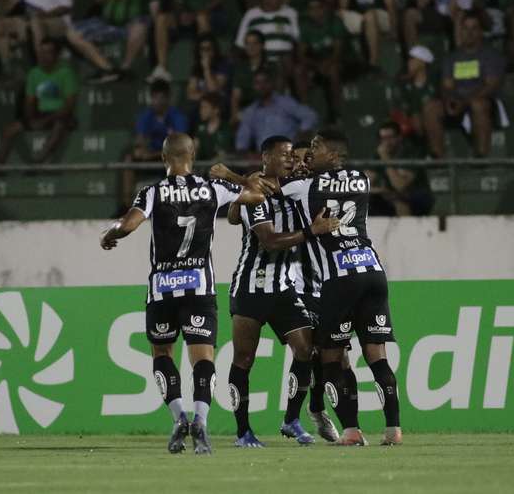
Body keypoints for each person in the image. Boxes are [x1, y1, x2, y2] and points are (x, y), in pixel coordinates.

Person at [100, 133, 272, 455]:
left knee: (162, 355)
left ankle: (179, 417)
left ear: (164, 158)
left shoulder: (151, 192)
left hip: (162, 289)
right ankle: (201, 422)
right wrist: (232, 177)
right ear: (192, 154)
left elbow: (129, 225)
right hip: (199, 288)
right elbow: (256, 196)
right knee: (202, 358)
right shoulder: (212, 188)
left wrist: (110, 235)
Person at [282, 128, 401, 446]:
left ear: (333, 154)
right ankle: (393, 429)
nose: (309, 154)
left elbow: (269, 190)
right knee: (377, 355)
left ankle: (351, 431)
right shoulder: (362, 178)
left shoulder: (303, 185)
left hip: (339, 277)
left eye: (316, 149)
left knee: (331, 358)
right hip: (373, 271)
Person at [223, 136, 340, 447]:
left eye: (294, 155)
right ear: (266, 157)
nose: (292, 160)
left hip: (284, 287)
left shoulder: (290, 191)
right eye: (285, 154)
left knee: (306, 350)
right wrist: (311, 231)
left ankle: (291, 419)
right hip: (251, 287)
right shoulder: (254, 195)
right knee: (244, 359)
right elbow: (269, 241)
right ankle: (243, 432)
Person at [0, 0, 119, 84]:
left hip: (58, 22)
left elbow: (66, 7)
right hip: (30, 19)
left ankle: (43, 70)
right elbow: (12, 0)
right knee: (1, 25)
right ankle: (8, 70)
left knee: (35, 23)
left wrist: (46, 14)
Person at [0, 37, 78, 165]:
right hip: (40, 114)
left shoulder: (66, 73)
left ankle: (39, 160)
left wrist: (45, 120)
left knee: (60, 124)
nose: (43, 56)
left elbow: (69, 106)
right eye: (41, 53)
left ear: (56, 55)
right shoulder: (34, 73)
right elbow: (29, 102)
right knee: (9, 130)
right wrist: (31, 120)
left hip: (61, 115)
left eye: (48, 52)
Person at [440, 11, 507, 158]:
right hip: (458, 102)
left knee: (478, 104)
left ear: (481, 32)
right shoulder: (452, 58)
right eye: (465, 28)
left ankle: (481, 155)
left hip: (485, 101)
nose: (469, 33)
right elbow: (447, 86)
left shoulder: (491, 55)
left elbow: (491, 85)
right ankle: (436, 157)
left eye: (474, 28)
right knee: (431, 108)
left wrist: (465, 102)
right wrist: (450, 100)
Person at [119, 79, 189, 213]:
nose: (157, 102)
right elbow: (140, 140)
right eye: (154, 97)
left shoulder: (177, 117)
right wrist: (140, 150)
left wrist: (152, 154)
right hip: (152, 157)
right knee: (129, 159)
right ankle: (127, 206)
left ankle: (181, 207)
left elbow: (178, 146)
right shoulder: (146, 116)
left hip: (171, 159)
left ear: (168, 98)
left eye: (161, 98)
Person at [146, 0, 227, 83]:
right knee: (161, 19)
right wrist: (182, 12)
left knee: (201, 18)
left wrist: (201, 10)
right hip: (187, 13)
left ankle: (206, 66)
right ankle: (162, 68)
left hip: (209, 12)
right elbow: (177, 0)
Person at [74, 0, 152, 83]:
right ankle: (108, 70)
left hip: (133, 24)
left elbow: (155, 4)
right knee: (71, 31)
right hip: (106, 24)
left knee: (140, 26)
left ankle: (124, 69)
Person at [235, 69, 319, 153]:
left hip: (288, 155)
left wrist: (301, 134)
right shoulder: (250, 111)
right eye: (257, 83)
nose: (262, 86)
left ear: (271, 83)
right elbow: (242, 139)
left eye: (265, 82)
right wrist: (241, 151)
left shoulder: (285, 103)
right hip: (263, 159)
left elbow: (310, 116)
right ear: (253, 86)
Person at [296, 0, 346, 123]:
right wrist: (316, 65)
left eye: (319, 7)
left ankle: (336, 111)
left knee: (333, 70)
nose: (315, 11)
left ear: (325, 7)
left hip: (338, 60)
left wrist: (326, 64)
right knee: (299, 70)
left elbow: (338, 51)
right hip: (316, 62)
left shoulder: (335, 21)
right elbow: (301, 54)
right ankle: (305, 112)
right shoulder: (305, 26)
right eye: (311, 8)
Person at [369, 121, 434, 216]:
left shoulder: (410, 153)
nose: (387, 142)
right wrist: (380, 190)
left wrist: (385, 157)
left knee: (399, 200)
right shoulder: (378, 155)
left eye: (390, 138)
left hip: (417, 195)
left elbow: (400, 185)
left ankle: (407, 230)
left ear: (399, 137)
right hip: (390, 194)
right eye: (383, 138)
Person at [335, 0, 398, 71]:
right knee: (339, 13)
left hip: (381, 15)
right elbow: (343, 5)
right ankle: (342, 64)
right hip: (359, 16)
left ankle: (373, 64)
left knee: (370, 15)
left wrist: (394, 29)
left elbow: (390, 3)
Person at [394, 45, 444, 157]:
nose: (409, 62)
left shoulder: (435, 80)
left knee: (430, 110)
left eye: (412, 59)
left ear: (422, 62)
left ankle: (438, 156)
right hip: (413, 118)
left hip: (436, 116)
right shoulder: (403, 84)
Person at [235, 0, 299, 63]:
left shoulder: (291, 13)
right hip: (260, 64)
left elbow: (297, 40)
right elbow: (240, 43)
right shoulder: (251, 14)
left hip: (284, 64)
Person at [403, 0, 474, 50]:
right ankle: (414, 56)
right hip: (439, 12)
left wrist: (450, 10)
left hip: (463, 9)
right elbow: (421, 3)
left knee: (459, 16)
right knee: (410, 14)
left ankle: (460, 56)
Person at [230, 30, 278, 125]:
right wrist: (234, 115)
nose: (251, 47)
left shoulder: (271, 66)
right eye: (247, 43)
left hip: (268, 108)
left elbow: (276, 93)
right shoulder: (241, 68)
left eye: (255, 43)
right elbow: (235, 96)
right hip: (247, 109)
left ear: (262, 45)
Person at [185, 33, 230, 122]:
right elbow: (190, 93)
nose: (205, 52)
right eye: (202, 49)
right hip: (202, 104)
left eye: (208, 49)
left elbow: (214, 90)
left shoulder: (222, 64)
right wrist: (206, 95)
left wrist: (206, 68)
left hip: (218, 105)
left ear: (214, 50)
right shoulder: (197, 67)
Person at [195, 92, 233, 161]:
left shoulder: (226, 128)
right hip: (200, 169)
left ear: (216, 110)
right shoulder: (200, 128)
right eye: (201, 107)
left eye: (205, 107)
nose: (201, 111)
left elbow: (223, 154)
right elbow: (195, 152)